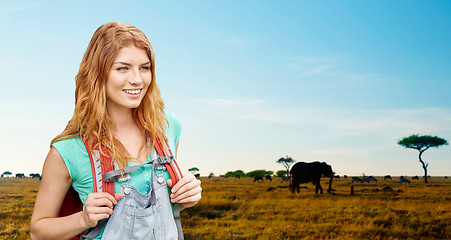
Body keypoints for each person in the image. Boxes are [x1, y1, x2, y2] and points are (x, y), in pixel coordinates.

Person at [30, 22, 202, 240]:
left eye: (144, 67)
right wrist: (83, 219)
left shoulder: (169, 125)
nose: (137, 79)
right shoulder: (68, 150)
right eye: (123, 68)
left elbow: (162, 210)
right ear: (98, 73)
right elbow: (38, 231)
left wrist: (187, 196)